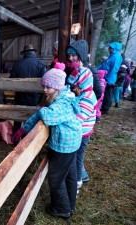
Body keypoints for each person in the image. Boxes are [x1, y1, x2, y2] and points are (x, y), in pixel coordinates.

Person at [12, 63, 82, 219]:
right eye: (44, 86)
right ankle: (70, 204)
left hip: (64, 145)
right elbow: (40, 115)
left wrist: (41, 109)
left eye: (48, 87)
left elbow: (47, 116)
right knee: (70, 174)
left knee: (56, 179)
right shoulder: (62, 96)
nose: (44, 90)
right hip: (70, 141)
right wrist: (25, 129)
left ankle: (62, 209)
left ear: (57, 87)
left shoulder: (62, 103)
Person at [65, 40, 97, 190]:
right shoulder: (75, 72)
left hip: (82, 128)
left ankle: (77, 183)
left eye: (74, 56)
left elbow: (82, 113)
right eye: (69, 55)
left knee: (77, 157)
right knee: (78, 156)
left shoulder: (87, 93)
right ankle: (80, 177)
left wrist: (69, 126)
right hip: (81, 127)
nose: (70, 58)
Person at [10, 44, 46, 133]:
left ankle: (15, 139)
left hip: (20, 97)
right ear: (33, 52)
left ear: (24, 53)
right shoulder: (40, 65)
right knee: (31, 120)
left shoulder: (17, 64)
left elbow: (11, 81)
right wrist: (41, 100)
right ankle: (27, 140)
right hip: (34, 99)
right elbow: (44, 83)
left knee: (17, 119)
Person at [97, 42, 123, 115]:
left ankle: (105, 109)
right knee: (105, 93)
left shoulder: (116, 57)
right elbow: (104, 65)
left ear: (114, 48)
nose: (109, 48)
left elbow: (114, 69)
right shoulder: (112, 56)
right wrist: (96, 70)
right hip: (105, 77)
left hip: (109, 79)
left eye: (110, 47)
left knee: (108, 94)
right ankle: (104, 108)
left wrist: (109, 80)